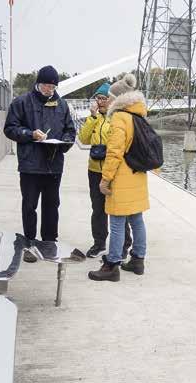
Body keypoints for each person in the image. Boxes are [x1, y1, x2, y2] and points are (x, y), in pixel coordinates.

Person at [4, 65, 76, 263]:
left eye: (53, 87)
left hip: (54, 165)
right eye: (46, 85)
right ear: (38, 83)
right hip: (30, 165)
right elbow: (10, 128)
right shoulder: (21, 102)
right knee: (29, 205)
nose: (49, 90)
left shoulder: (61, 105)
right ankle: (29, 243)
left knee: (52, 205)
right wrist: (30, 134)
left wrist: (64, 143)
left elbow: (70, 130)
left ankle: (49, 243)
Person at [88, 73, 149, 282]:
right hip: (138, 176)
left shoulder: (119, 118)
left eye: (111, 96)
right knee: (137, 220)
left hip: (121, 178)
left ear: (118, 98)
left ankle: (112, 265)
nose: (109, 99)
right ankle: (138, 260)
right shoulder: (139, 115)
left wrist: (105, 180)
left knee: (115, 222)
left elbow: (114, 153)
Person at [78, 83, 132, 258]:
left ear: (112, 100)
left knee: (117, 209)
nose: (100, 102)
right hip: (94, 169)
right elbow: (84, 139)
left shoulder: (116, 118)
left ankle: (124, 245)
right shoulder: (95, 118)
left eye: (104, 98)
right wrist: (92, 118)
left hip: (114, 171)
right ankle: (99, 242)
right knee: (98, 209)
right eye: (98, 98)